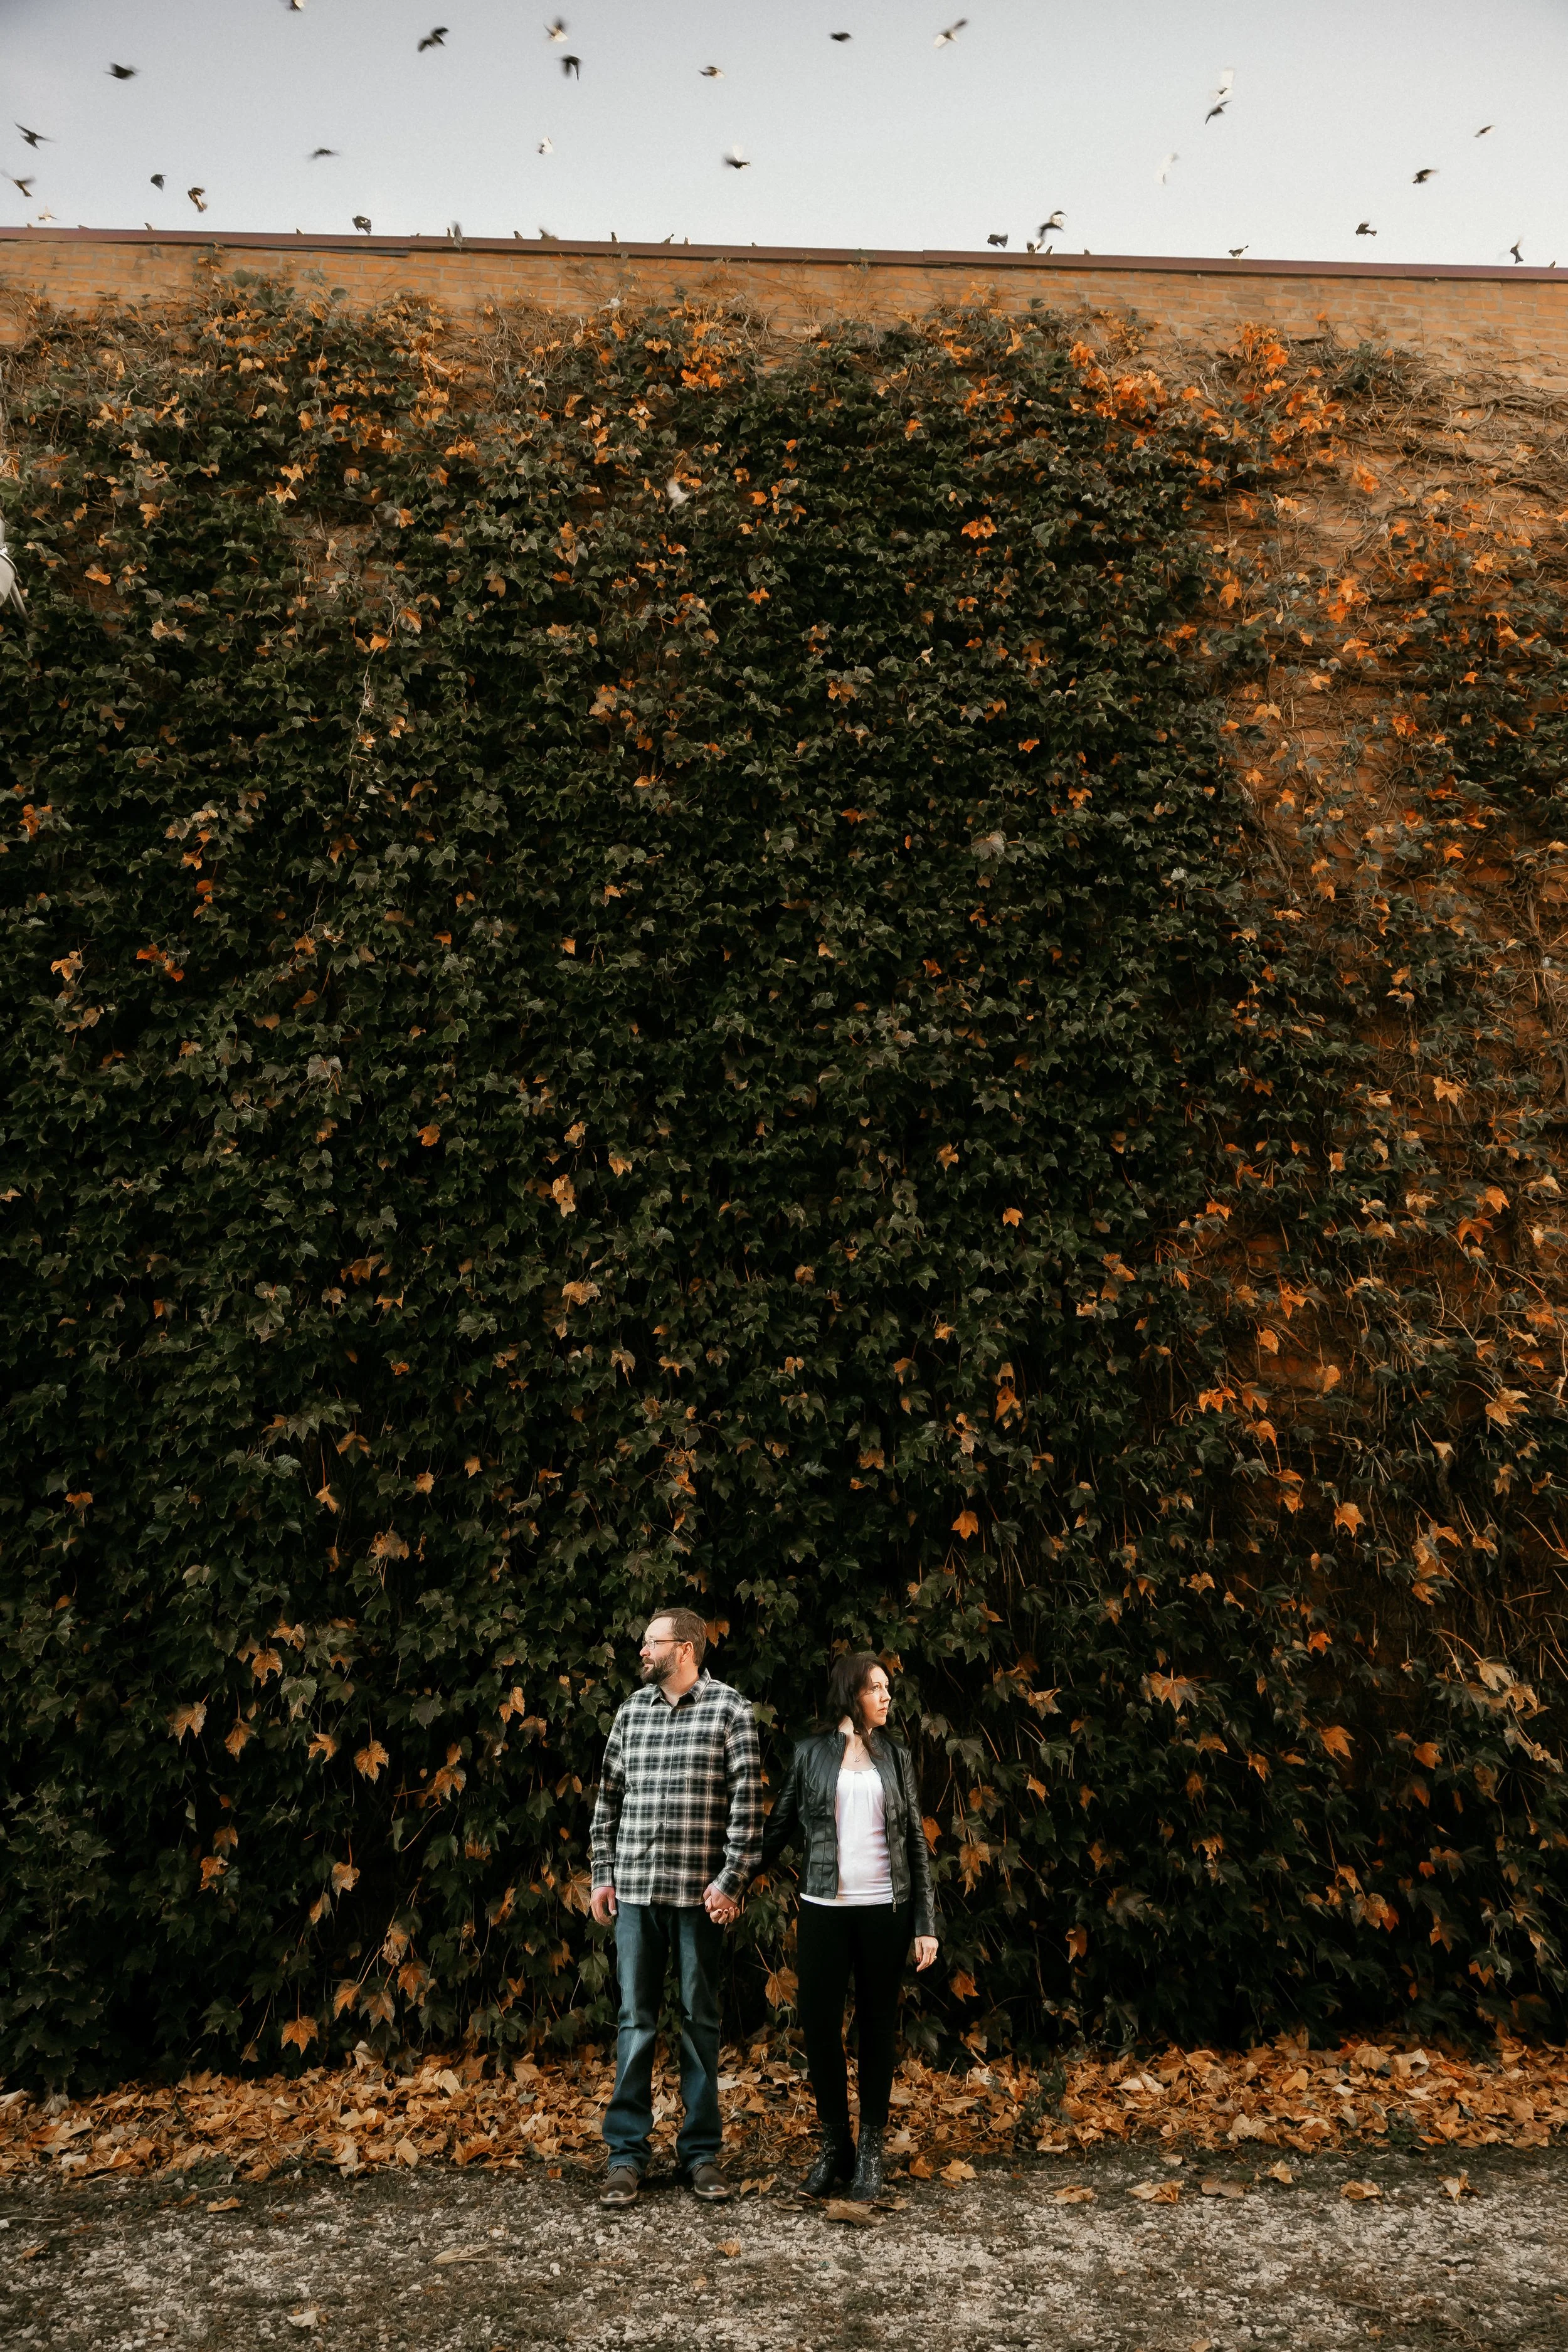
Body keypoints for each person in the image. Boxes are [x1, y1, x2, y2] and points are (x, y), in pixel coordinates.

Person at [590, 1607, 761, 2208]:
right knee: (635, 2023)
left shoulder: (730, 1710)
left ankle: (700, 2154)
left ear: (684, 1648)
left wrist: (731, 1881)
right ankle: (626, 2156)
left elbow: (747, 1809)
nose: (641, 1650)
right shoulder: (631, 1714)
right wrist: (601, 1877)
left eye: (651, 1642)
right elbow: (607, 1802)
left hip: (697, 1899)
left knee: (699, 2024)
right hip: (635, 1894)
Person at [760, 1651, 938, 2204]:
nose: (887, 1697)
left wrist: (926, 1922)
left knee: (878, 2028)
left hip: (886, 1908)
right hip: (823, 1908)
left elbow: (915, 1842)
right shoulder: (811, 1754)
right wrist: (732, 1883)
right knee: (819, 2027)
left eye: (888, 1688)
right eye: (876, 1688)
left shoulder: (897, 1756)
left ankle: (871, 2150)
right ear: (850, 1694)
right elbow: (780, 1825)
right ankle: (836, 2144)